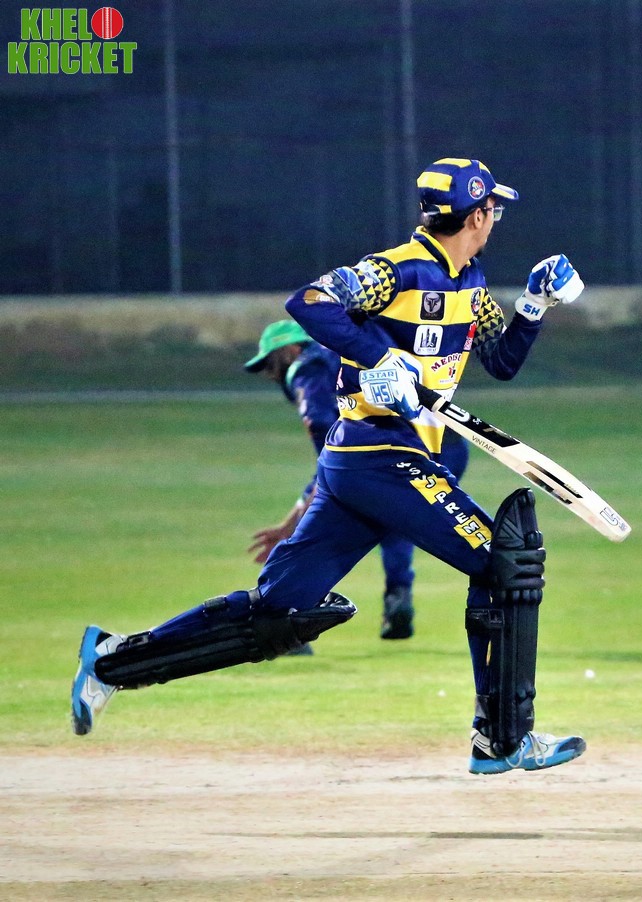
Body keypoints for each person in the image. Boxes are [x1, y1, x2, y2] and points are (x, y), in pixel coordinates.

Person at [71, 158, 588, 775]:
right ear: (476, 214)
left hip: (367, 464)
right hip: (378, 452)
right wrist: (378, 359)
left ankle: (110, 661)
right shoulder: (394, 269)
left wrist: (533, 304)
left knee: (279, 609)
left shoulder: (473, 286)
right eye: (493, 209)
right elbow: (310, 302)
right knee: (506, 563)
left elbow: (500, 362)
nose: (496, 219)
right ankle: (502, 739)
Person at [243, 319, 471, 642]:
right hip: (447, 444)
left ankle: (287, 618)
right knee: (394, 518)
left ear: (291, 349)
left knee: (329, 531)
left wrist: (292, 523)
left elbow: (332, 461)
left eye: (270, 363)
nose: (270, 374)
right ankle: (398, 598)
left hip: (389, 452)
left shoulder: (308, 371)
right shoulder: (343, 352)